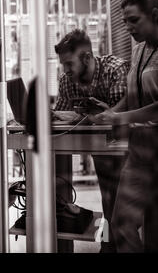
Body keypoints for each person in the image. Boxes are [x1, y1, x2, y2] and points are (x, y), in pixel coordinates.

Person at [92, 0, 158, 252]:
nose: (128, 27)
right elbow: (132, 97)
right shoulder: (139, 51)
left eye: (134, 20)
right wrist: (110, 114)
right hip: (139, 144)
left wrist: (121, 119)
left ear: (154, 15)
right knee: (121, 223)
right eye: (124, 21)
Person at [53, 28, 130, 252]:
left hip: (127, 147)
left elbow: (121, 115)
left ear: (87, 57)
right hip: (99, 149)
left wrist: (89, 116)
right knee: (107, 200)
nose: (65, 70)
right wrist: (52, 116)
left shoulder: (115, 69)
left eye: (69, 64)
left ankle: (119, 244)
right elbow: (63, 116)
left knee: (123, 203)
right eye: (63, 65)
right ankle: (107, 244)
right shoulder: (67, 81)